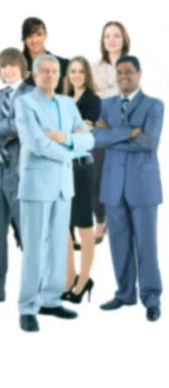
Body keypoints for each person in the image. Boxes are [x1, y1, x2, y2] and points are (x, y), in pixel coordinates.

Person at [15, 54, 94, 332]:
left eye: (53, 71)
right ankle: (27, 306)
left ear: (59, 76)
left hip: (63, 185)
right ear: (35, 75)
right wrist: (73, 152)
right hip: (36, 185)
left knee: (59, 246)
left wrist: (69, 139)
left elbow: (89, 138)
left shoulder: (67, 103)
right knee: (34, 247)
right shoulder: (25, 103)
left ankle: (50, 300)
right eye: (44, 71)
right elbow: (36, 142)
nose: (49, 75)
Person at [93, 55, 164, 322]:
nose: (124, 76)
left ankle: (151, 297)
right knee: (118, 244)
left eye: (129, 72)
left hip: (143, 187)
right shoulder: (105, 105)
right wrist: (130, 132)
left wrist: (114, 134)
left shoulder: (154, 105)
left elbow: (148, 142)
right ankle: (124, 293)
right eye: (119, 73)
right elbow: (96, 138)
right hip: (112, 186)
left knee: (146, 245)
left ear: (139, 74)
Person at [0, 48, 34, 303]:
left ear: (22, 68)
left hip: (23, 174)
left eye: (12, 66)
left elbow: (26, 125)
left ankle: (33, 291)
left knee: (29, 236)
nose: (8, 71)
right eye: (3, 66)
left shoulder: (31, 94)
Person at [61, 56, 101, 304]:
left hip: (82, 170)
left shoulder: (93, 101)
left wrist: (63, 133)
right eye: (72, 71)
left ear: (87, 74)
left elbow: (84, 133)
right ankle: (69, 276)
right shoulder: (63, 100)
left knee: (84, 227)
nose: (76, 75)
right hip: (61, 168)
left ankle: (85, 279)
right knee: (64, 227)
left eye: (81, 71)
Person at [91, 21, 131, 244]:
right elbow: (93, 95)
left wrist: (105, 95)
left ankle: (119, 222)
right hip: (99, 131)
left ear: (123, 39)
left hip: (121, 132)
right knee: (95, 177)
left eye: (116, 35)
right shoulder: (94, 66)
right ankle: (100, 220)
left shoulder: (131, 65)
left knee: (119, 178)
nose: (112, 40)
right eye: (107, 36)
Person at [21, 17, 69, 94]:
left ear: (45, 35)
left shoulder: (63, 64)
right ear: (24, 38)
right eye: (30, 36)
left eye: (39, 34)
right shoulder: (18, 67)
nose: (35, 40)